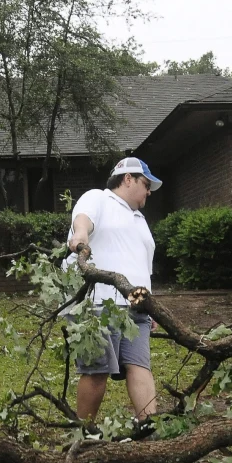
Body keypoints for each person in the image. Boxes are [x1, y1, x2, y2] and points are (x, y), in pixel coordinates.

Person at [65, 156, 161, 424]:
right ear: (127, 178)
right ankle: (83, 432)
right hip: (99, 304)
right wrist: (81, 236)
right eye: (146, 183)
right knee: (97, 370)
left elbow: (141, 265)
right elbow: (83, 219)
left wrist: (149, 305)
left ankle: (149, 427)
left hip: (135, 305)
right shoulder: (99, 198)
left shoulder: (139, 218)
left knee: (140, 365)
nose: (149, 191)